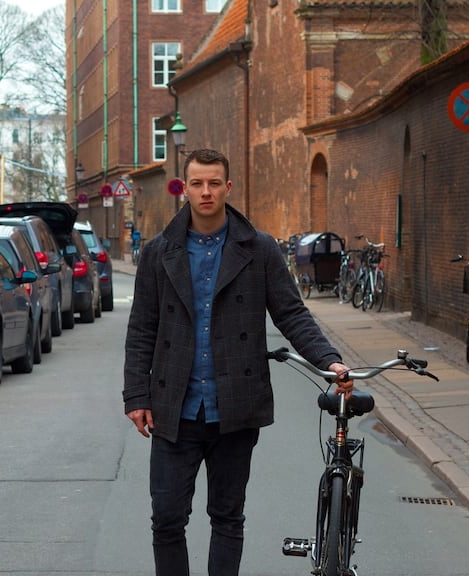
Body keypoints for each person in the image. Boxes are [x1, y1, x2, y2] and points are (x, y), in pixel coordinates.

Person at [123, 148, 353, 575]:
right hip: (176, 405)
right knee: (167, 517)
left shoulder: (260, 249)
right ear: (185, 190)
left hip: (235, 404)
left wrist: (330, 361)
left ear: (228, 188)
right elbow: (142, 329)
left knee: (227, 517)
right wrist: (137, 395)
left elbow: (291, 313)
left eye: (214, 183)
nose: (206, 192)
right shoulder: (159, 252)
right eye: (197, 183)